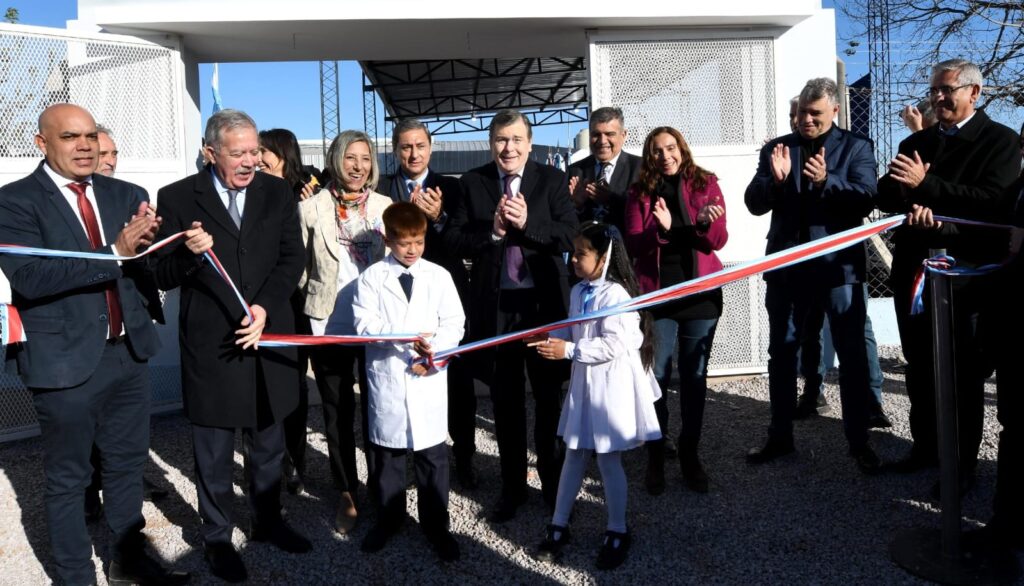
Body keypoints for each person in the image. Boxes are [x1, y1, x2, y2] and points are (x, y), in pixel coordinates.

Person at [0, 103, 189, 585]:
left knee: (126, 469)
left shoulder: (126, 194)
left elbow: (144, 269)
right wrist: (113, 253)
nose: (83, 145)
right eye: (69, 137)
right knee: (69, 481)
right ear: (42, 144)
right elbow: (31, 276)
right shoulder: (14, 202)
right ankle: (74, 576)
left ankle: (129, 563)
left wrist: (180, 253)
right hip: (63, 364)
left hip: (127, 355)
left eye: (89, 136)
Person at [154, 109, 310, 583]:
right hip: (213, 345)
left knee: (267, 444)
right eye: (237, 153)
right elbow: (159, 274)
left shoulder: (276, 190)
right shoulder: (179, 197)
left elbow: (291, 257)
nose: (249, 162)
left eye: (253, 151)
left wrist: (264, 306)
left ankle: (267, 520)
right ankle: (217, 537)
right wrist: (186, 253)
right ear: (210, 152)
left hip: (268, 334)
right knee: (214, 452)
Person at [877, 59, 1021, 494]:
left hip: (966, 277)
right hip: (916, 271)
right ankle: (925, 447)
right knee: (919, 364)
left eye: (948, 90)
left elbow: (993, 202)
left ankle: (961, 466)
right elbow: (887, 192)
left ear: (975, 93)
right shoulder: (916, 140)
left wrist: (928, 187)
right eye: (935, 90)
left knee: (962, 373)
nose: (938, 98)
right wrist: (904, 189)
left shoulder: (1001, 142)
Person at [444, 108, 578, 522]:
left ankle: (554, 486)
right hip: (497, 307)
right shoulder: (472, 183)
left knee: (548, 400)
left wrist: (530, 224)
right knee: (505, 404)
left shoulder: (552, 180)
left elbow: (570, 234)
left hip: (542, 308)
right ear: (491, 144)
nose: (509, 148)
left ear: (530, 143)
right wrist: (494, 234)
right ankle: (513, 488)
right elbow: (453, 239)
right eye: (502, 140)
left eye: (517, 140)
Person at [744, 78, 881, 473]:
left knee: (851, 355)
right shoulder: (778, 149)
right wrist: (777, 180)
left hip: (838, 270)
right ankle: (780, 436)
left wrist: (827, 182)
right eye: (802, 112)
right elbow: (754, 202)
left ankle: (859, 441)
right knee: (782, 354)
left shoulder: (856, 147)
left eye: (815, 114)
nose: (805, 119)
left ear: (834, 111)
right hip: (787, 271)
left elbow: (866, 198)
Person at [530, 222, 661, 570]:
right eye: (573, 252)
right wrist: (547, 335)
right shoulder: (579, 291)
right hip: (584, 383)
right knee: (574, 452)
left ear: (603, 259)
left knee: (606, 459)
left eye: (581, 254)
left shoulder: (616, 295)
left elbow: (617, 343)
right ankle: (559, 524)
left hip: (609, 388)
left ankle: (617, 528)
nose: (574, 259)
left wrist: (569, 350)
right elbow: (573, 325)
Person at [352, 202, 465, 561]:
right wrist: (405, 337)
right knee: (388, 457)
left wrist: (433, 355)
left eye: (418, 241)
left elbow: (455, 323)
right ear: (387, 239)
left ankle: (436, 525)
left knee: (432, 457)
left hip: (427, 378)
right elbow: (364, 327)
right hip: (390, 378)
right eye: (404, 243)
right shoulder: (371, 279)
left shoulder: (438, 276)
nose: (413, 249)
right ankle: (389, 518)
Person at [623, 126, 727, 495]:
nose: (665, 155)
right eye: (656, 150)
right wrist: (661, 231)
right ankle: (656, 449)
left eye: (671, 147)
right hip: (658, 297)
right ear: (649, 156)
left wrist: (700, 224)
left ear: (681, 149)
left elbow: (718, 239)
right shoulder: (638, 192)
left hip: (700, 295)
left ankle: (690, 453)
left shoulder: (705, 183)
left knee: (695, 378)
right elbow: (634, 243)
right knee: (658, 376)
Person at [300, 129, 391, 534]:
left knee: (378, 407)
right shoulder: (312, 208)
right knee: (337, 411)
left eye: (366, 158)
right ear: (337, 159)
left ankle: (381, 488)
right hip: (328, 322)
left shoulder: (387, 206)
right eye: (351, 158)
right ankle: (346, 492)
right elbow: (300, 270)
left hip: (377, 322)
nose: (358, 166)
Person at [379, 119, 478, 488]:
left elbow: (464, 243)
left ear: (431, 147)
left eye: (420, 145)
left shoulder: (452, 188)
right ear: (395, 149)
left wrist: (439, 219)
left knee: (456, 382)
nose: (413, 153)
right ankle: (399, 462)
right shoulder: (382, 191)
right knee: (399, 377)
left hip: (443, 298)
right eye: (405, 147)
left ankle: (464, 456)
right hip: (397, 301)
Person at [82, 124, 170, 523]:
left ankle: (128, 483)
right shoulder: (63, 206)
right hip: (82, 334)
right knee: (86, 424)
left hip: (128, 326)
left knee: (128, 426)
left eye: (115, 153)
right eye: (104, 155)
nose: (111, 161)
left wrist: (150, 235)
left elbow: (145, 256)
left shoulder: (132, 195)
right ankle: (87, 491)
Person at [258, 128, 322, 496]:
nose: (258, 158)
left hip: (297, 302)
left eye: (265, 152)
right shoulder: (253, 190)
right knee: (267, 385)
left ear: (284, 154)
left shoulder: (308, 186)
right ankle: (271, 460)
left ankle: (295, 461)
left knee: (293, 383)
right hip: (264, 301)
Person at [567, 107, 642, 228]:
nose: (602, 141)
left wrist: (612, 200)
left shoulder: (640, 168)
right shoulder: (575, 171)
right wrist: (578, 206)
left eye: (609, 134)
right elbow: (564, 220)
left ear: (623, 135)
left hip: (626, 244)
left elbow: (646, 214)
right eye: (596, 134)